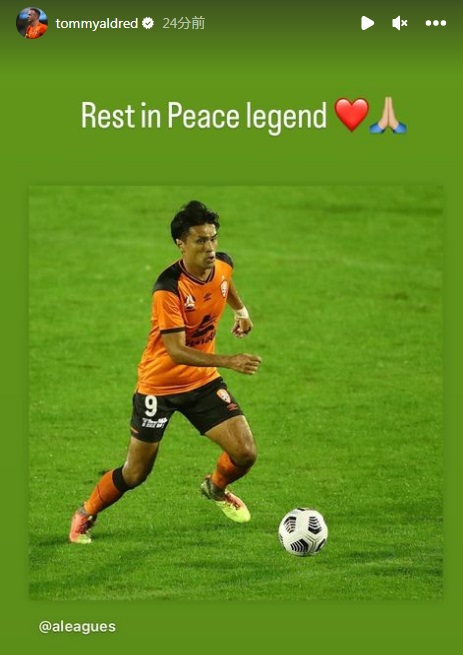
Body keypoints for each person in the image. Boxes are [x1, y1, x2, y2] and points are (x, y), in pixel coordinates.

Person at [69, 200, 262, 544]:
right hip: (159, 388)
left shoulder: (221, 264)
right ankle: (86, 512)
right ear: (181, 244)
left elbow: (225, 282)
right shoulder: (169, 288)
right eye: (200, 240)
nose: (210, 247)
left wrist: (241, 311)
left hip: (202, 381)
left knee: (245, 452)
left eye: (213, 238)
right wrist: (229, 361)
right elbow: (176, 350)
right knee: (135, 473)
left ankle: (215, 487)